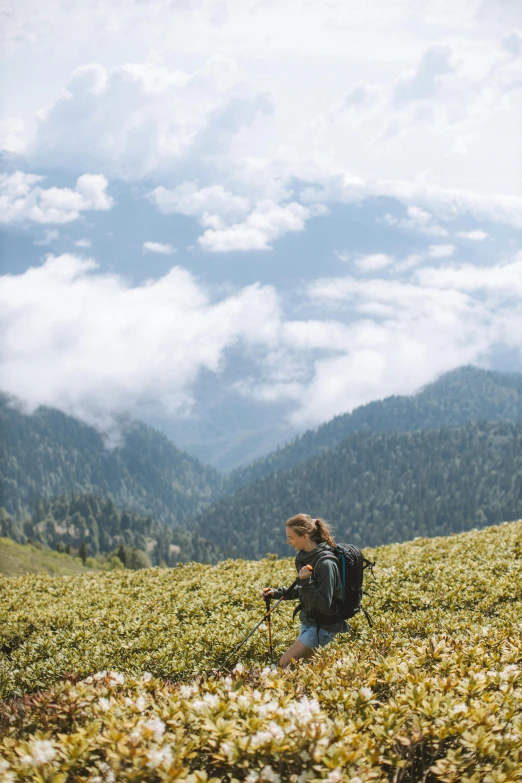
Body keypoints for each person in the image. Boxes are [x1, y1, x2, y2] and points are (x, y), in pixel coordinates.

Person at [261, 513, 348, 668]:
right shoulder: (303, 557)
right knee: (301, 669)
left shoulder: (326, 564)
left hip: (323, 627)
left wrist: (306, 582)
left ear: (305, 536)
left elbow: (323, 605)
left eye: (291, 537)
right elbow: (302, 590)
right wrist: (277, 593)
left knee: (284, 664)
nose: (288, 542)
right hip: (309, 622)